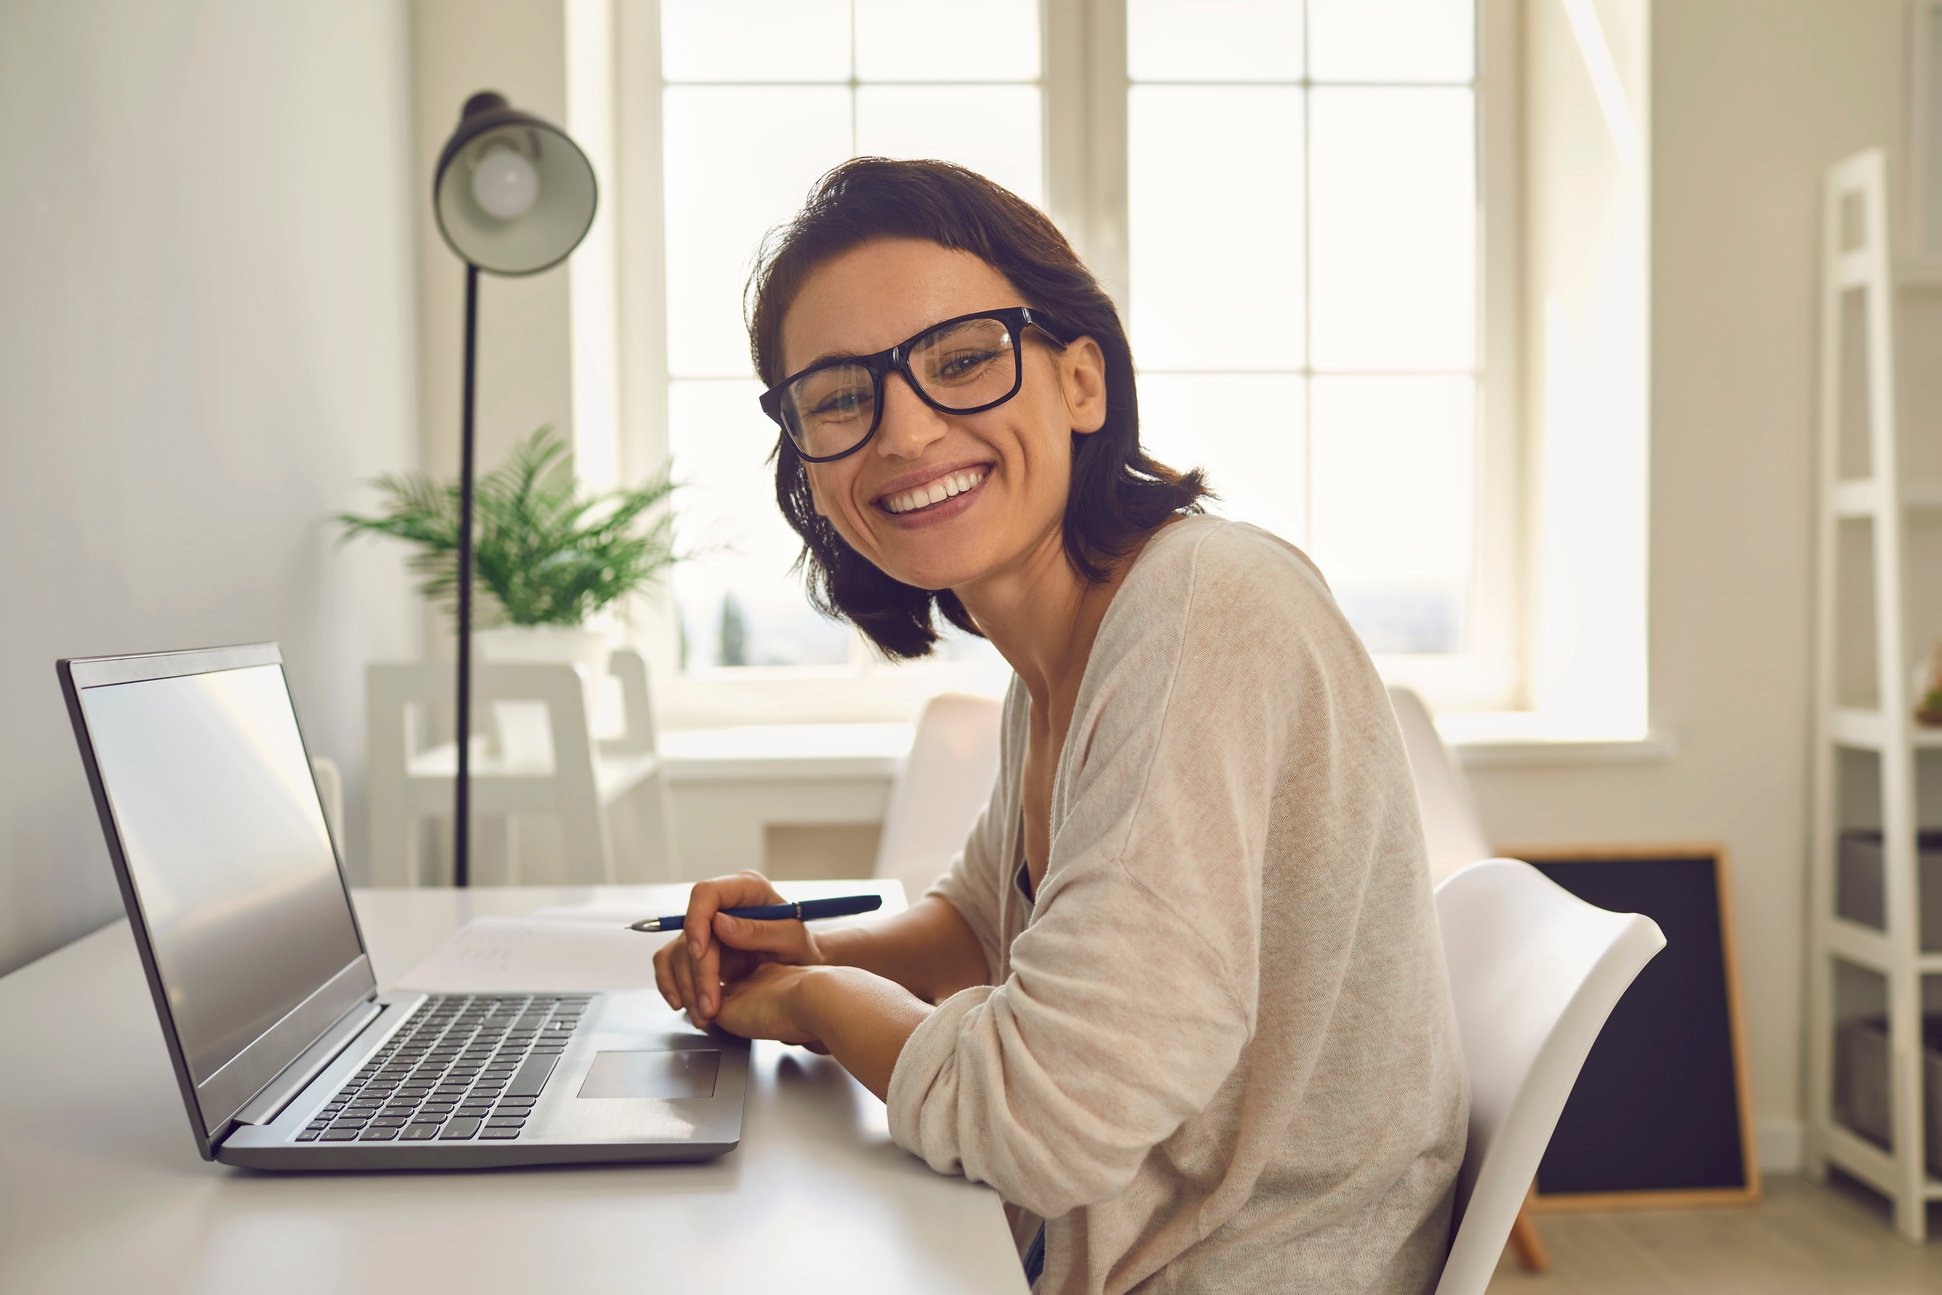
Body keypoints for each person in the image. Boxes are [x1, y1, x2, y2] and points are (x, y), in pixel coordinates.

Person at [652, 157, 1468, 1294]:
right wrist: (803, 946)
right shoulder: (1056, 662)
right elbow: (988, 933)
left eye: (962, 359)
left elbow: (1045, 1116)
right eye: (841, 394)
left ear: (1081, 380)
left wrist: (810, 1001)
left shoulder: (1204, 611)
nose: (903, 429)